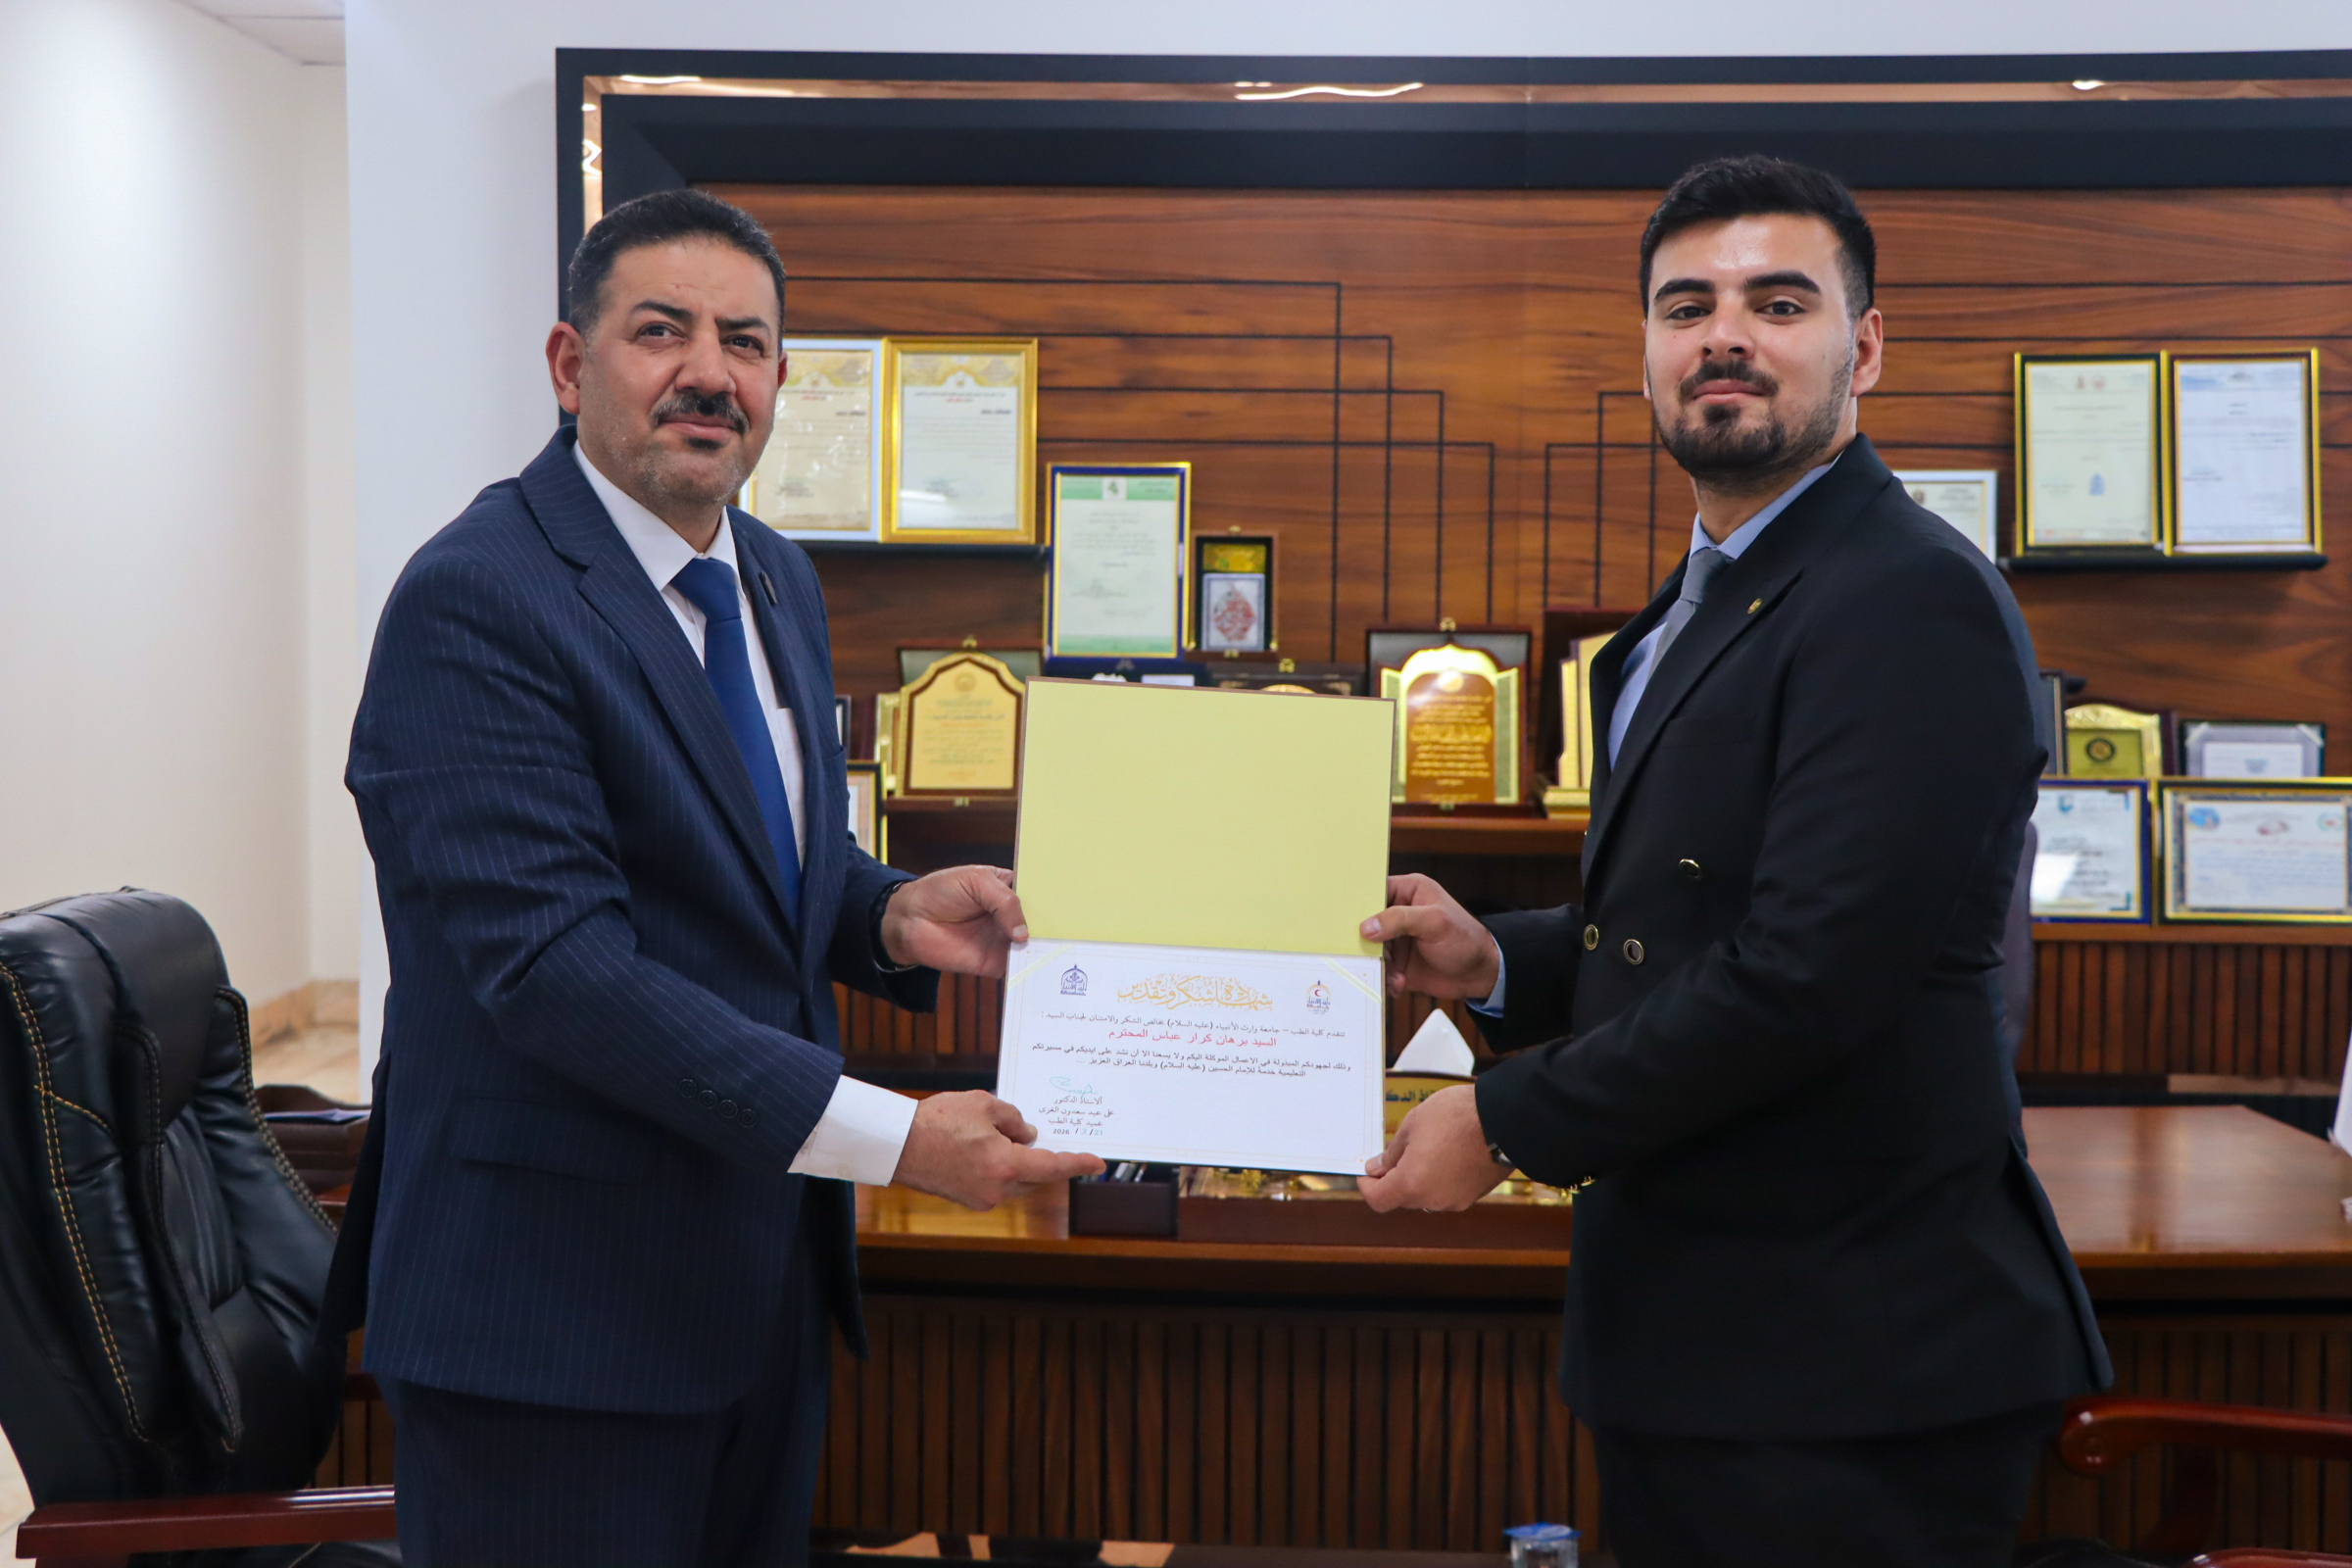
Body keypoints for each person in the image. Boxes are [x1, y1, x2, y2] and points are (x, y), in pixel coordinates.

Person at [1355, 157, 2108, 1567]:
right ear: (1647, 348)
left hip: (1850, 1363)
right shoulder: (1701, 604)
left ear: (1863, 348)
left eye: (1779, 302)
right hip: (1714, 1342)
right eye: (1687, 306)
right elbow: (1682, 923)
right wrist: (1495, 957)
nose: (1726, 337)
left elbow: (1808, 974)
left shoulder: (1908, 595)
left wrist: (1505, 1123)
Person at [341, 189, 1102, 1567]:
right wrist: (897, 1140)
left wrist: (886, 913)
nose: (709, 372)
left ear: (779, 381)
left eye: (744, 343)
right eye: (661, 332)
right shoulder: (479, 597)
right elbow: (558, 972)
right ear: (570, 364)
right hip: (551, 1324)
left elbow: (753, 855)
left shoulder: (771, 576)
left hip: (752, 1287)